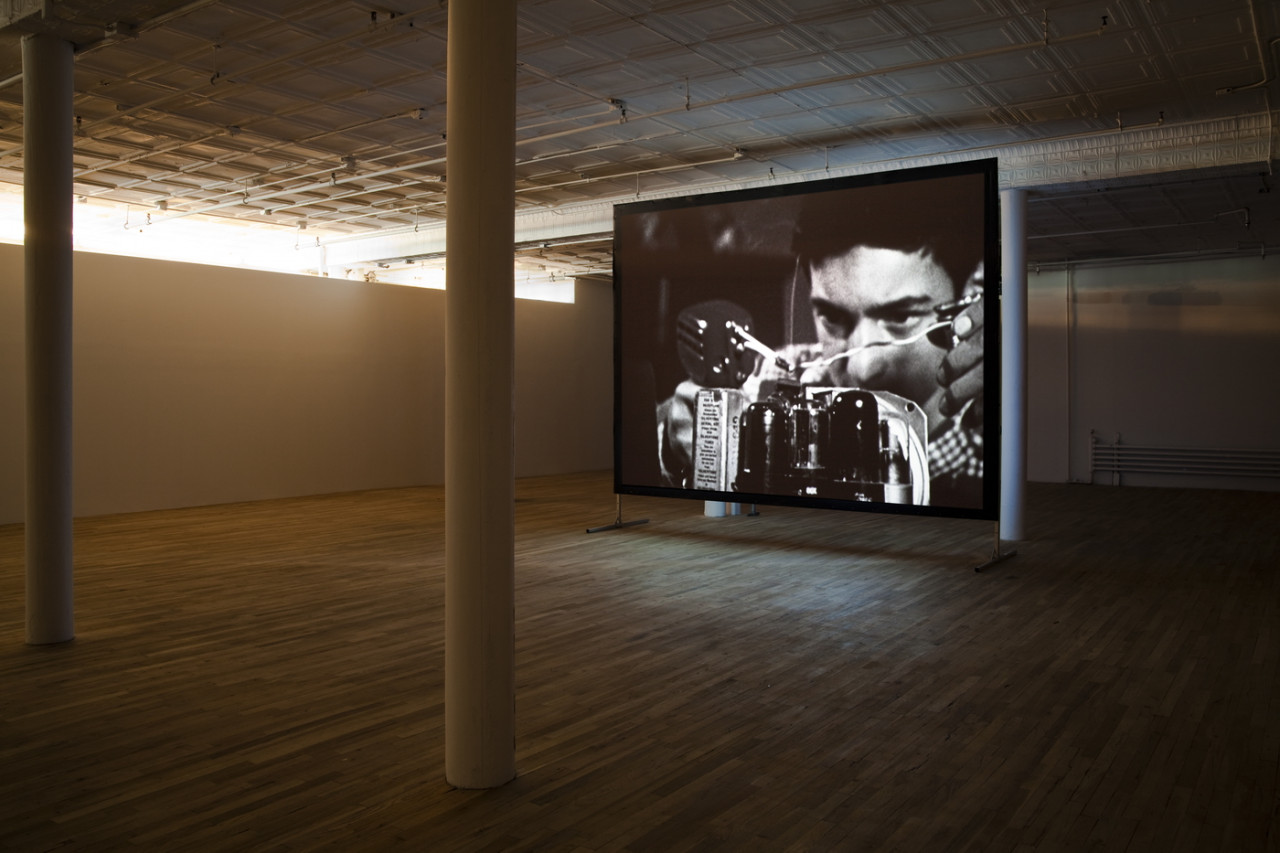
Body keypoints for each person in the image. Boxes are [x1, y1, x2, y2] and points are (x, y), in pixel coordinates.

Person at [657, 213, 986, 507]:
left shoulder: (997, 409)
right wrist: (678, 445)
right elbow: (665, 425)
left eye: (900, 317)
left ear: (969, 297)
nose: (863, 368)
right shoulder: (776, 374)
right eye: (832, 317)